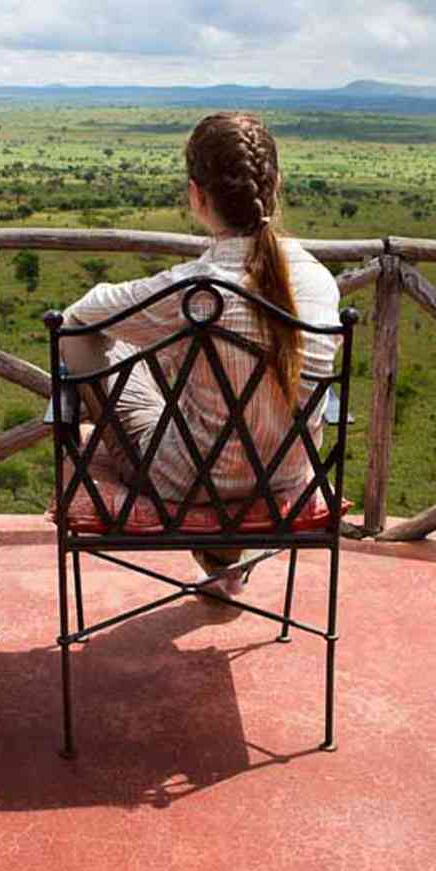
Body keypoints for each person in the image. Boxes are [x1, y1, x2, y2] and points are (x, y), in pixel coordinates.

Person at [60, 112, 340, 595]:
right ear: (276, 187)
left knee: (96, 336)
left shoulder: (196, 289)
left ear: (197, 195)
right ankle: (224, 561)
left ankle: (220, 555)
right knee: (206, 381)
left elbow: (79, 316)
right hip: (286, 476)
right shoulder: (318, 279)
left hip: (187, 479)